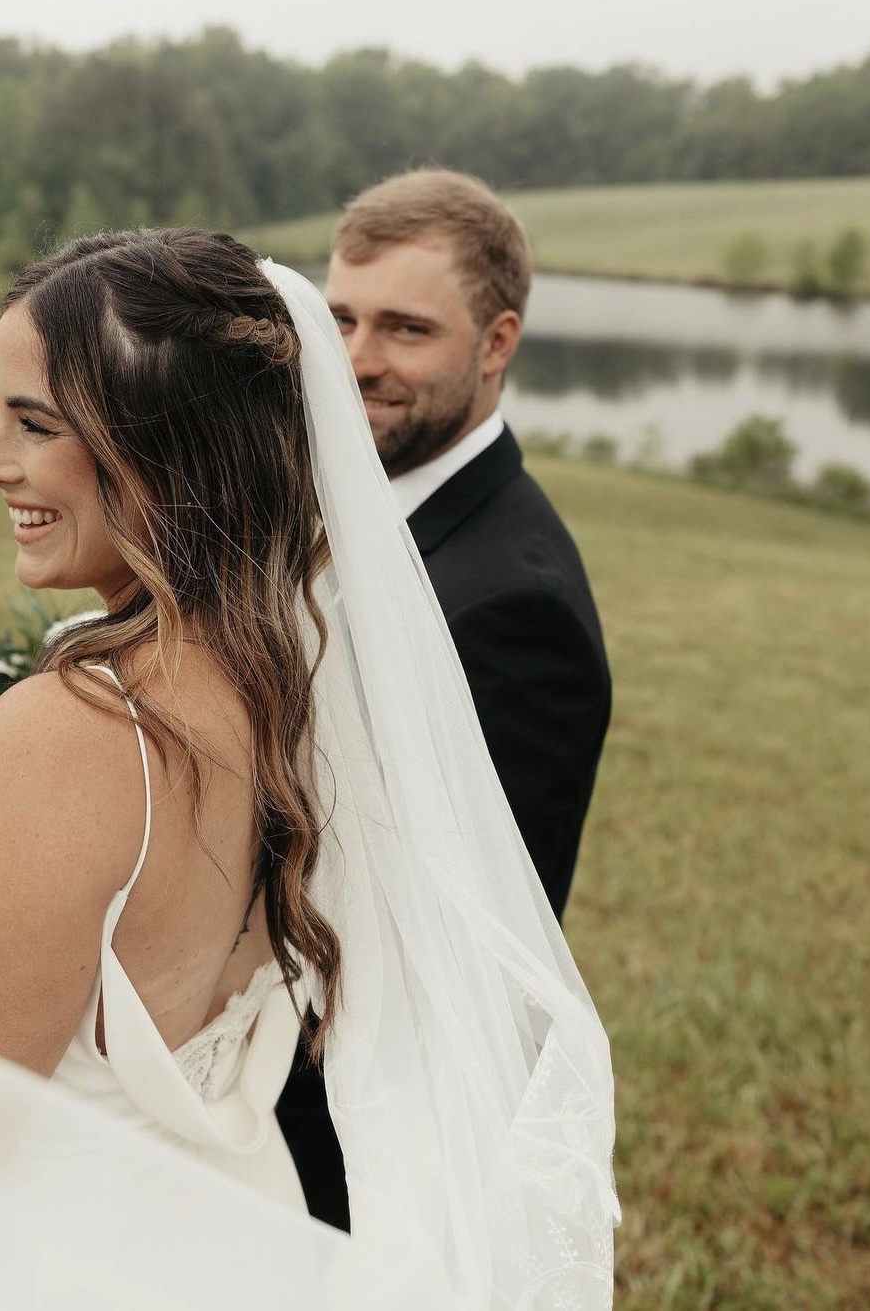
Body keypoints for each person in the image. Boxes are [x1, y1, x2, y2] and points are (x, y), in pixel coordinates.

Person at [0, 228, 617, 1303]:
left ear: (167, 448)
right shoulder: (300, 688)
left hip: (56, 1252)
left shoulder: (70, 733)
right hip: (235, 1233)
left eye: (34, 423)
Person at [279, 169, 611, 1229]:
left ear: (498, 342)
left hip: (340, 1145)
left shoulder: (516, 607)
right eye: (340, 319)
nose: (358, 360)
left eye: (406, 329)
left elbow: (458, 961)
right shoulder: (342, 495)